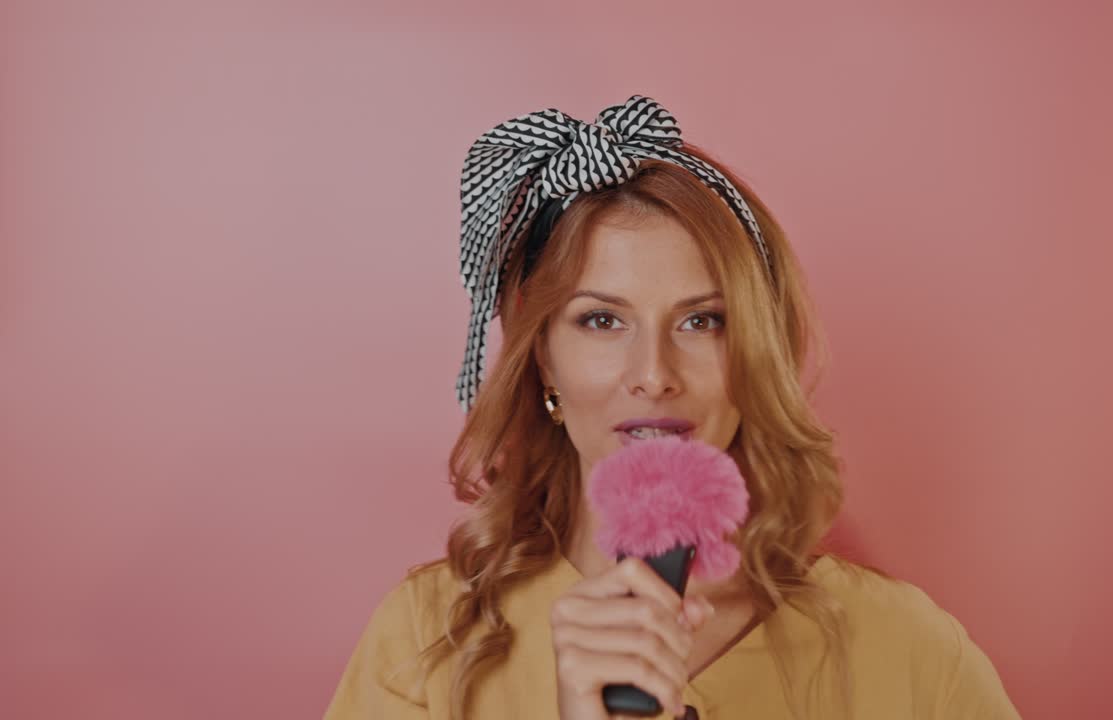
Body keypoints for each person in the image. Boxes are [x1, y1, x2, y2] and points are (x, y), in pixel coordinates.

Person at [323, 96, 1021, 720]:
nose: (654, 375)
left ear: (756, 354)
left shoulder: (908, 653)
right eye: (601, 321)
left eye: (702, 322)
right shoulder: (425, 644)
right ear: (544, 361)